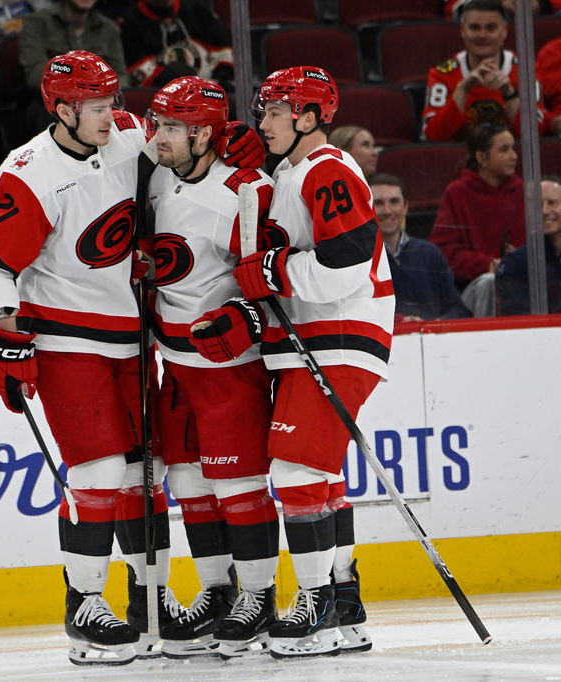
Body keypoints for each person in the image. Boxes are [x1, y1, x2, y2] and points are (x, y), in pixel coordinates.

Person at [0, 50, 181, 665]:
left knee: (149, 471)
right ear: (62, 110)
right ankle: (85, 605)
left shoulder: (130, 138)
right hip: (68, 340)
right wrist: (5, 334)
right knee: (99, 473)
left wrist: (234, 155)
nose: (111, 116)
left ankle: (152, 600)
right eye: (96, 107)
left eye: (112, 102)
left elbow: (185, 165)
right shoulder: (29, 172)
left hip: (135, 338)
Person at [202, 65, 393, 658]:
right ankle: (342, 606)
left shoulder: (328, 169)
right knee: (323, 477)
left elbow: (349, 261)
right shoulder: (287, 174)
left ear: (309, 118)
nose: (263, 121)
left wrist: (271, 273)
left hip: (340, 337)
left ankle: (311, 609)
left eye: (274, 112)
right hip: (311, 341)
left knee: (294, 474)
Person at [144, 76, 281, 660]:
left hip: (229, 366)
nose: (160, 137)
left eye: (173, 127)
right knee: (190, 484)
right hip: (172, 364)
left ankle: (260, 595)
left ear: (204, 132)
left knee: (238, 484)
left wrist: (247, 312)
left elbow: (272, 280)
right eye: (159, 124)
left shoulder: (245, 192)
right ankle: (220, 592)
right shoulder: (152, 180)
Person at [422, 0, 547, 143]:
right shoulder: (442, 74)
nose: (482, 35)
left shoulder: (525, 71)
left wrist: (509, 93)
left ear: (504, 31)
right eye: (475, 28)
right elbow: (433, 136)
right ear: (463, 30)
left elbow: (535, 136)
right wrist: (463, 89)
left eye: (491, 28)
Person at [429, 122, 524, 293]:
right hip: (473, 286)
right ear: (481, 158)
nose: (513, 156)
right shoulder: (457, 192)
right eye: (504, 150)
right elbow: (444, 253)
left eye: (513, 148)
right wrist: (489, 264)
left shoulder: (521, 191)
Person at [370, 173, 471, 322]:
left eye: (394, 201)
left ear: (406, 207)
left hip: (434, 341)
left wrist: (438, 323)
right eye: (378, 203)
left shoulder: (430, 253)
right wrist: (399, 322)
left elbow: (457, 308)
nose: (387, 210)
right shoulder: (358, 258)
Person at [18, 1, 128, 134]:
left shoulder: (108, 28)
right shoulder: (38, 23)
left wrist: (98, 97)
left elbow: (120, 75)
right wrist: (82, 92)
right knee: (56, 113)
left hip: (100, 102)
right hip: (52, 103)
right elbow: (36, 73)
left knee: (122, 114)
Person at [117, 0, 233, 90]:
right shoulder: (129, 23)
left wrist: (217, 83)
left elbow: (225, 56)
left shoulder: (198, 12)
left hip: (212, 90)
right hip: (164, 99)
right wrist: (190, 83)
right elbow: (141, 74)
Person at [497, 176, 561, 314]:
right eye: (538, 204)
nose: (544, 211)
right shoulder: (513, 264)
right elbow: (520, 322)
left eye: (552, 203)